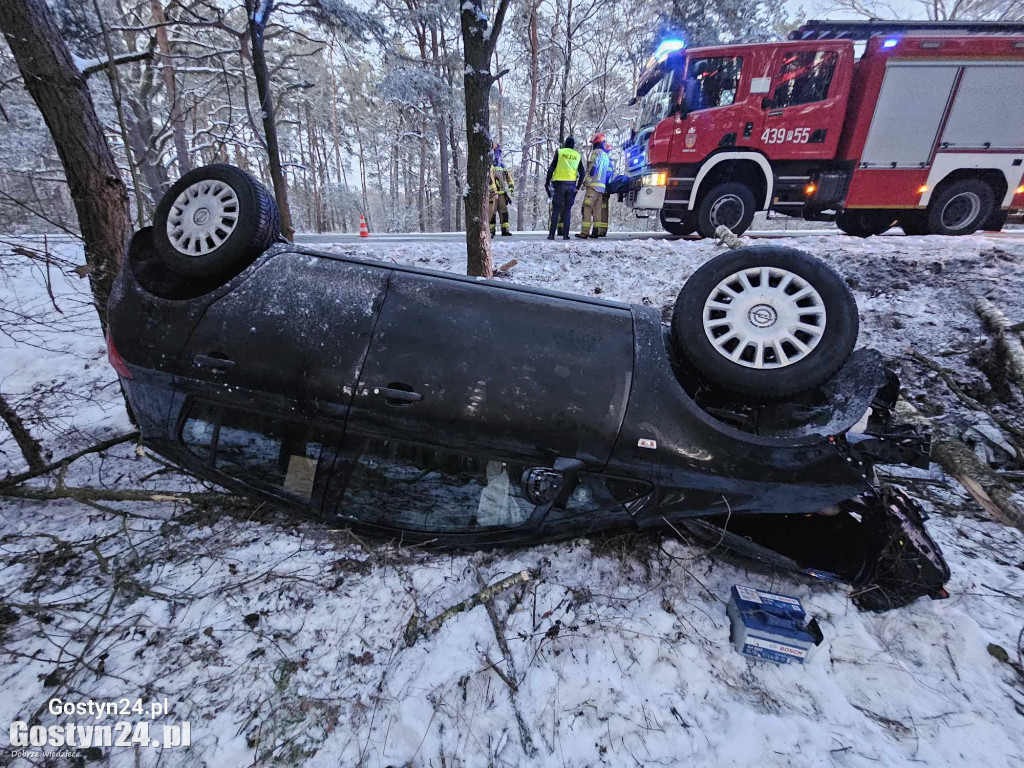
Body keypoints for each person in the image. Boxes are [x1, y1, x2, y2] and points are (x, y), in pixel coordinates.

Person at [544, 137, 584, 241]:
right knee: (567, 210)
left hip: (559, 184)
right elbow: (582, 173)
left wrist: (547, 183)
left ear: (565, 144)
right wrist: (577, 187)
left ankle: (551, 235)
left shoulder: (560, 152)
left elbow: (551, 169)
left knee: (556, 209)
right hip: (571, 185)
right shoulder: (577, 156)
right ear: (573, 145)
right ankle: (566, 235)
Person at [576, 133, 610, 239]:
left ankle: (584, 232)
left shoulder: (596, 153)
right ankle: (596, 231)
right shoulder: (606, 156)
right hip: (601, 188)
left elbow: (593, 169)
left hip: (593, 186)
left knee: (587, 208)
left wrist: (586, 182)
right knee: (597, 210)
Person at [489, 143, 515, 237]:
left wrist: (511, 186)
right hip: (492, 194)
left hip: (502, 194)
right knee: (492, 212)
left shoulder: (503, 165)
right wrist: (493, 191)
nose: (497, 154)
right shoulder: (489, 165)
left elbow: (508, 176)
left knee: (504, 212)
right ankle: (491, 231)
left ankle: (505, 230)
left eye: (498, 152)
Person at [595, 140, 614, 238]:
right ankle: (601, 229)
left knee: (602, 209)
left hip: (604, 188)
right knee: (602, 209)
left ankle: (601, 230)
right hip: (604, 188)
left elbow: (606, 176)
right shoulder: (608, 161)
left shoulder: (607, 162)